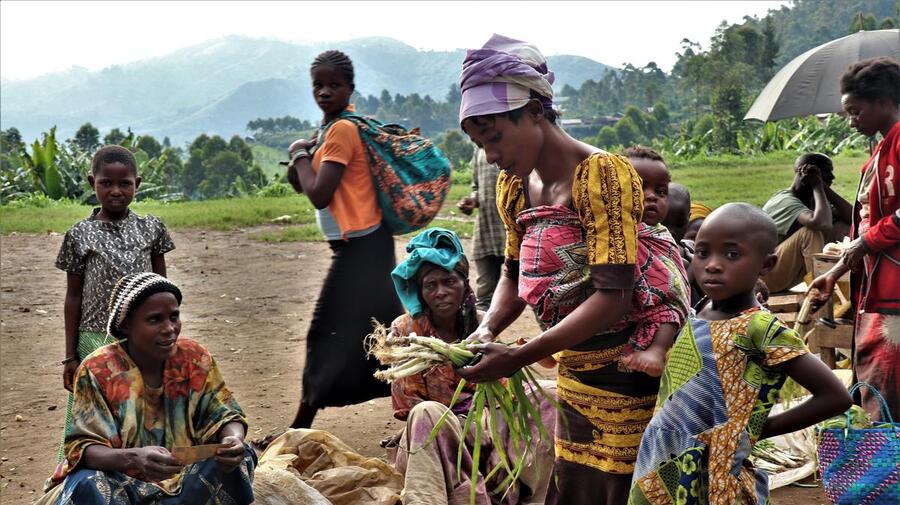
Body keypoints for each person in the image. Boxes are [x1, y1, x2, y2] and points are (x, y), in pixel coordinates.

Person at [455, 34, 673, 504]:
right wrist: (488, 328)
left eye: (494, 137)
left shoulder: (602, 175)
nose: (491, 155)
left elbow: (612, 298)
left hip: (628, 373)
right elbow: (513, 273)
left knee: (622, 486)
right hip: (575, 372)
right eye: (480, 143)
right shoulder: (514, 186)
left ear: (535, 111)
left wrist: (520, 356)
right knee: (576, 484)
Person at [628, 204, 851, 505]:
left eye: (732, 255)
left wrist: (759, 430)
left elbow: (836, 396)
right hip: (659, 456)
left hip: (714, 472)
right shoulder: (698, 310)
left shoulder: (759, 328)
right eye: (703, 253)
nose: (713, 265)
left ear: (766, 264)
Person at [39, 273, 255, 504]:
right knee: (88, 483)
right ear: (126, 325)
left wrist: (233, 439)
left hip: (185, 477)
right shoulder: (99, 369)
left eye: (174, 316)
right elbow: (83, 449)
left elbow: (225, 414)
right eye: (155, 320)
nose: (169, 328)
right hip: (122, 480)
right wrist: (134, 458)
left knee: (241, 458)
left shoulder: (194, 358)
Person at [385, 228, 556, 505]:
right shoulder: (406, 330)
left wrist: (485, 420)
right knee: (427, 412)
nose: (441, 292)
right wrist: (463, 421)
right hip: (438, 435)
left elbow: (502, 391)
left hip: (490, 425)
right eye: (430, 285)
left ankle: (532, 496)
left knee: (550, 393)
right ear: (420, 292)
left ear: (465, 284)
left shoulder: (483, 325)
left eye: (449, 281)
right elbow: (409, 408)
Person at [285, 50, 403, 428]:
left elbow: (318, 193)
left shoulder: (341, 130)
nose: (324, 91)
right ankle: (422, 412)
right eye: (318, 84)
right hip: (366, 247)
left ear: (350, 88)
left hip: (361, 251)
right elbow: (304, 182)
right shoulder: (328, 131)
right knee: (392, 337)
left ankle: (298, 429)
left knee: (326, 332)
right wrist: (304, 158)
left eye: (334, 84)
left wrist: (298, 153)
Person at [55, 145, 175, 461]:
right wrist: (70, 355)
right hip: (94, 339)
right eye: (106, 183)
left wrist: (168, 334)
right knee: (92, 412)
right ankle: (82, 471)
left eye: (125, 184)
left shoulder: (152, 228)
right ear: (91, 182)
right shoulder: (79, 234)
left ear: (139, 182)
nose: (116, 191)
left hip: (143, 338)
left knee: (145, 405)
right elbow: (74, 297)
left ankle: (150, 465)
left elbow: (162, 290)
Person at [811, 56, 900, 422]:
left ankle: (887, 459)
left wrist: (867, 242)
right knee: (875, 378)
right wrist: (836, 272)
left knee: (889, 380)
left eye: (856, 111)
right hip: (876, 285)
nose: (851, 121)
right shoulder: (879, 149)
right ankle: (882, 456)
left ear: (884, 101)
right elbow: (865, 221)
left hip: (895, 290)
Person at [618, 146, 691, 377]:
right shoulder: (609, 231)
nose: (651, 196)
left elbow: (675, 286)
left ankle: (657, 352)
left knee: (669, 304)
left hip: (661, 306)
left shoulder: (658, 234)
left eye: (660, 192)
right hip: (623, 311)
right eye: (639, 187)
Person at [761, 153, 852, 292]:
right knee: (811, 232)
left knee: (844, 227)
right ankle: (821, 292)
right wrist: (817, 185)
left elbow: (854, 218)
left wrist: (823, 188)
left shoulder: (815, 199)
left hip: (789, 274)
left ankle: (855, 284)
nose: (832, 177)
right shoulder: (783, 200)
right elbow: (822, 223)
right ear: (804, 173)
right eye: (826, 171)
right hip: (766, 275)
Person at [457, 148, 507, 311]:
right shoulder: (478, 149)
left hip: (512, 230)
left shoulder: (513, 144)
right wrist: (473, 200)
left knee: (530, 289)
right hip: (486, 230)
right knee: (484, 295)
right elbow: (476, 186)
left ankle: (557, 334)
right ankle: (479, 334)